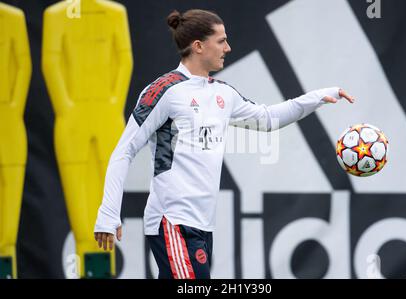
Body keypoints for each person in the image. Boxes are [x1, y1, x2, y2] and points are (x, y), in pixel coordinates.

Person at [94, 9, 354, 279]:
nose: (228, 48)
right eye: (221, 41)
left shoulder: (223, 93)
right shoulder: (164, 91)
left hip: (203, 226)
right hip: (172, 221)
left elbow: (267, 118)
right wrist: (109, 213)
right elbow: (124, 151)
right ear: (198, 46)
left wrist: (321, 96)